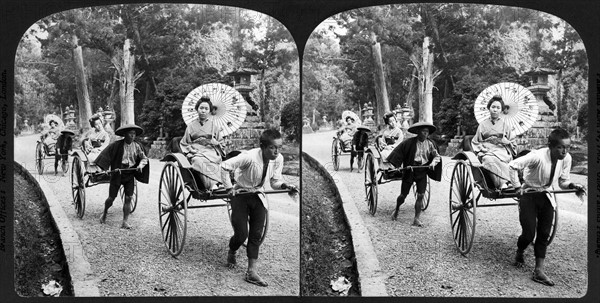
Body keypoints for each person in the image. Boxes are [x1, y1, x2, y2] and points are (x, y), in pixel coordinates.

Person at [508, 128, 585, 286]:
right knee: (528, 234)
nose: (564, 151)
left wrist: (573, 185)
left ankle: (539, 271)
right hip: (529, 194)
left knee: (543, 234)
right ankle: (520, 250)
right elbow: (512, 165)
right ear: (550, 146)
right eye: (560, 147)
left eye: (567, 147)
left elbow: (563, 182)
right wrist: (517, 187)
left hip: (546, 195)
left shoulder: (567, 158)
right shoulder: (537, 156)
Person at [220, 129, 297, 287]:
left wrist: (285, 185)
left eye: (279, 147)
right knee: (241, 234)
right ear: (262, 146)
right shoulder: (249, 157)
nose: (276, 151)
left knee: (256, 234)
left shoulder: (278, 159)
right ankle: (232, 250)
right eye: (272, 148)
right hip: (240, 194)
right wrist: (229, 189)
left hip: (258, 195)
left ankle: (251, 272)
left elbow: (275, 181)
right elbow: (224, 166)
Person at [386, 121, 442, 227]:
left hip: (422, 170)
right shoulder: (409, 142)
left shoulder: (430, 144)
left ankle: (416, 218)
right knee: (403, 195)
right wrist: (397, 166)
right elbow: (398, 153)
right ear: (418, 132)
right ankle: (397, 209)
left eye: (427, 132)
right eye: (423, 132)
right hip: (410, 170)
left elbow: (436, 156)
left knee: (420, 194)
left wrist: (433, 163)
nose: (425, 134)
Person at [95, 124, 149, 229]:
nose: (132, 136)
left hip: (130, 173)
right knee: (111, 198)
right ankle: (105, 213)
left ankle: (125, 221)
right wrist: (105, 169)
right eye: (130, 133)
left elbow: (144, 158)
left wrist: (140, 165)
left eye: (134, 134)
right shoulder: (116, 145)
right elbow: (105, 155)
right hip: (117, 173)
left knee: (129, 197)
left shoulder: (137, 146)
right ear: (125, 135)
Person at [471, 95, 517, 190]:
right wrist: (481, 148)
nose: (495, 110)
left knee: (505, 161)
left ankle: (504, 183)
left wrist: (507, 142)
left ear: (501, 110)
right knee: (488, 159)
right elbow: (475, 142)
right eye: (493, 107)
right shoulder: (482, 125)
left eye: (498, 108)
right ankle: (504, 183)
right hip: (487, 150)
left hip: (502, 151)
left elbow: (513, 143)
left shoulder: (505, 125)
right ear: (489, 108)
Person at [179, 96, 225, 191]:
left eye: (206, 109)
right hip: (196, 151)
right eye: (201, 108)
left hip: (211, 152)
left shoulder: (214, 126)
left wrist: (216, 143)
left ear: (209, 111)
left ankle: (217, 184)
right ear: (197, 109)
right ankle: (213, 184)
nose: (203, 111)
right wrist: (190, 149)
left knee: (217, 162)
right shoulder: (191, 126)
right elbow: (184, 143)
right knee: (197, 160)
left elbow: (221, 143)